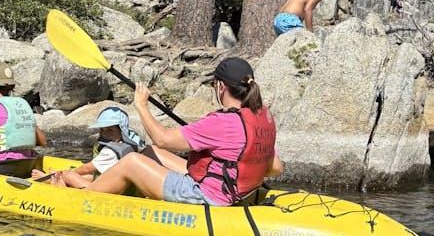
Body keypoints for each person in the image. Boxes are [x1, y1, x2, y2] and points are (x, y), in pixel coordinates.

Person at [59, 57, 283, 206]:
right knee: (150, 152)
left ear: (221, 87)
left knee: (131, 161)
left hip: (210, 196)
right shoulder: (261, 116)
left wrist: (141, 106)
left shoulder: (222, 123)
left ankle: (82, 194)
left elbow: (163, 138)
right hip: (237, 190)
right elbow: (275, 168)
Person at [39, 106, 143, 188]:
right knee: (88, 176)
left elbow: (87, 168)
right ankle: (57, 178)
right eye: (102, 130)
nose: (105, 134)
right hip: (118, 184)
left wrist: (66, 173)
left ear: (122, 131)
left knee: (71, 176)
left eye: (110, 130)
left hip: (108, 189)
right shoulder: (129, 144)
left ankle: (54, 179)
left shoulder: (110, 151)